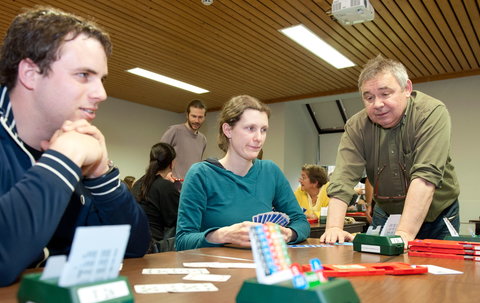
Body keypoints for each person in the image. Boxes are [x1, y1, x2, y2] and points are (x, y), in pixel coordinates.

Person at [0, 7, 150, 286]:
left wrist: (101, 174)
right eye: (83, 75)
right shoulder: (70, 149)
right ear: (30, 74)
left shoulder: (78, 142)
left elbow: (134, 248)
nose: (101, 94)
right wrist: (65, 157)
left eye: (101, 79)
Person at [321, 55, 460, 245]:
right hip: (387, 214)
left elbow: (425, 177)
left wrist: (403, 234)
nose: (377, 104)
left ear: (407, 89)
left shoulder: (431, 112)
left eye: (385, 94)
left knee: (441, 272)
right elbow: (343, 178)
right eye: (369, 97)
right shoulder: (356, 126)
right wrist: (333, 228)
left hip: (437, 214)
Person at [176, 95, 310, 251]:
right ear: (228, 130)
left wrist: (289, 233)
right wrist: (222, 235)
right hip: (218, 271)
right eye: (250, 128)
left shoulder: (270, 171)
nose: (259, 138)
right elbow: (182, 240)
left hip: (263, 269)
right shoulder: (201, 174)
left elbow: (300, 222)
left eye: (263, 130)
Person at [134, 143, 179, 252]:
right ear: (171, 164)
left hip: (135, 242)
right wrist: (173, 187)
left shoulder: (138, 184)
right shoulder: (165, 186)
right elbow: (178, 218)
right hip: (154, 246)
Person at [160, 99, 207, 179]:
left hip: (191, 187)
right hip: (172, 186)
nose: (197, 120)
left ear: (204, 117)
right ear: (187, 115)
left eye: (200, 117)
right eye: (194, 116)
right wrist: (164, 175)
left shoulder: (203, 139)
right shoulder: (174, 131)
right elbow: (158, 156)